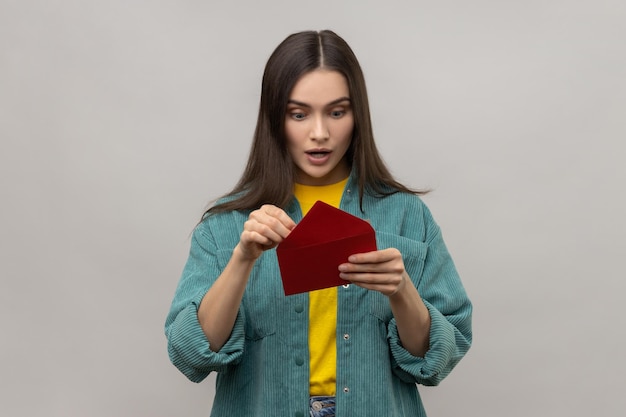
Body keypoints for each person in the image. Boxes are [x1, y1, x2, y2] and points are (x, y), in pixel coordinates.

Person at [165, 30, 472, 417]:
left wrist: (402, 291)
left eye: (337, 112)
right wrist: (243, 258)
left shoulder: (408, 215)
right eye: (299, 114)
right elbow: (188, 354)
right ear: (275, 119)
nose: (320, 133)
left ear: (357, 115)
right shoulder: (226, 225)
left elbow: (440, 360)